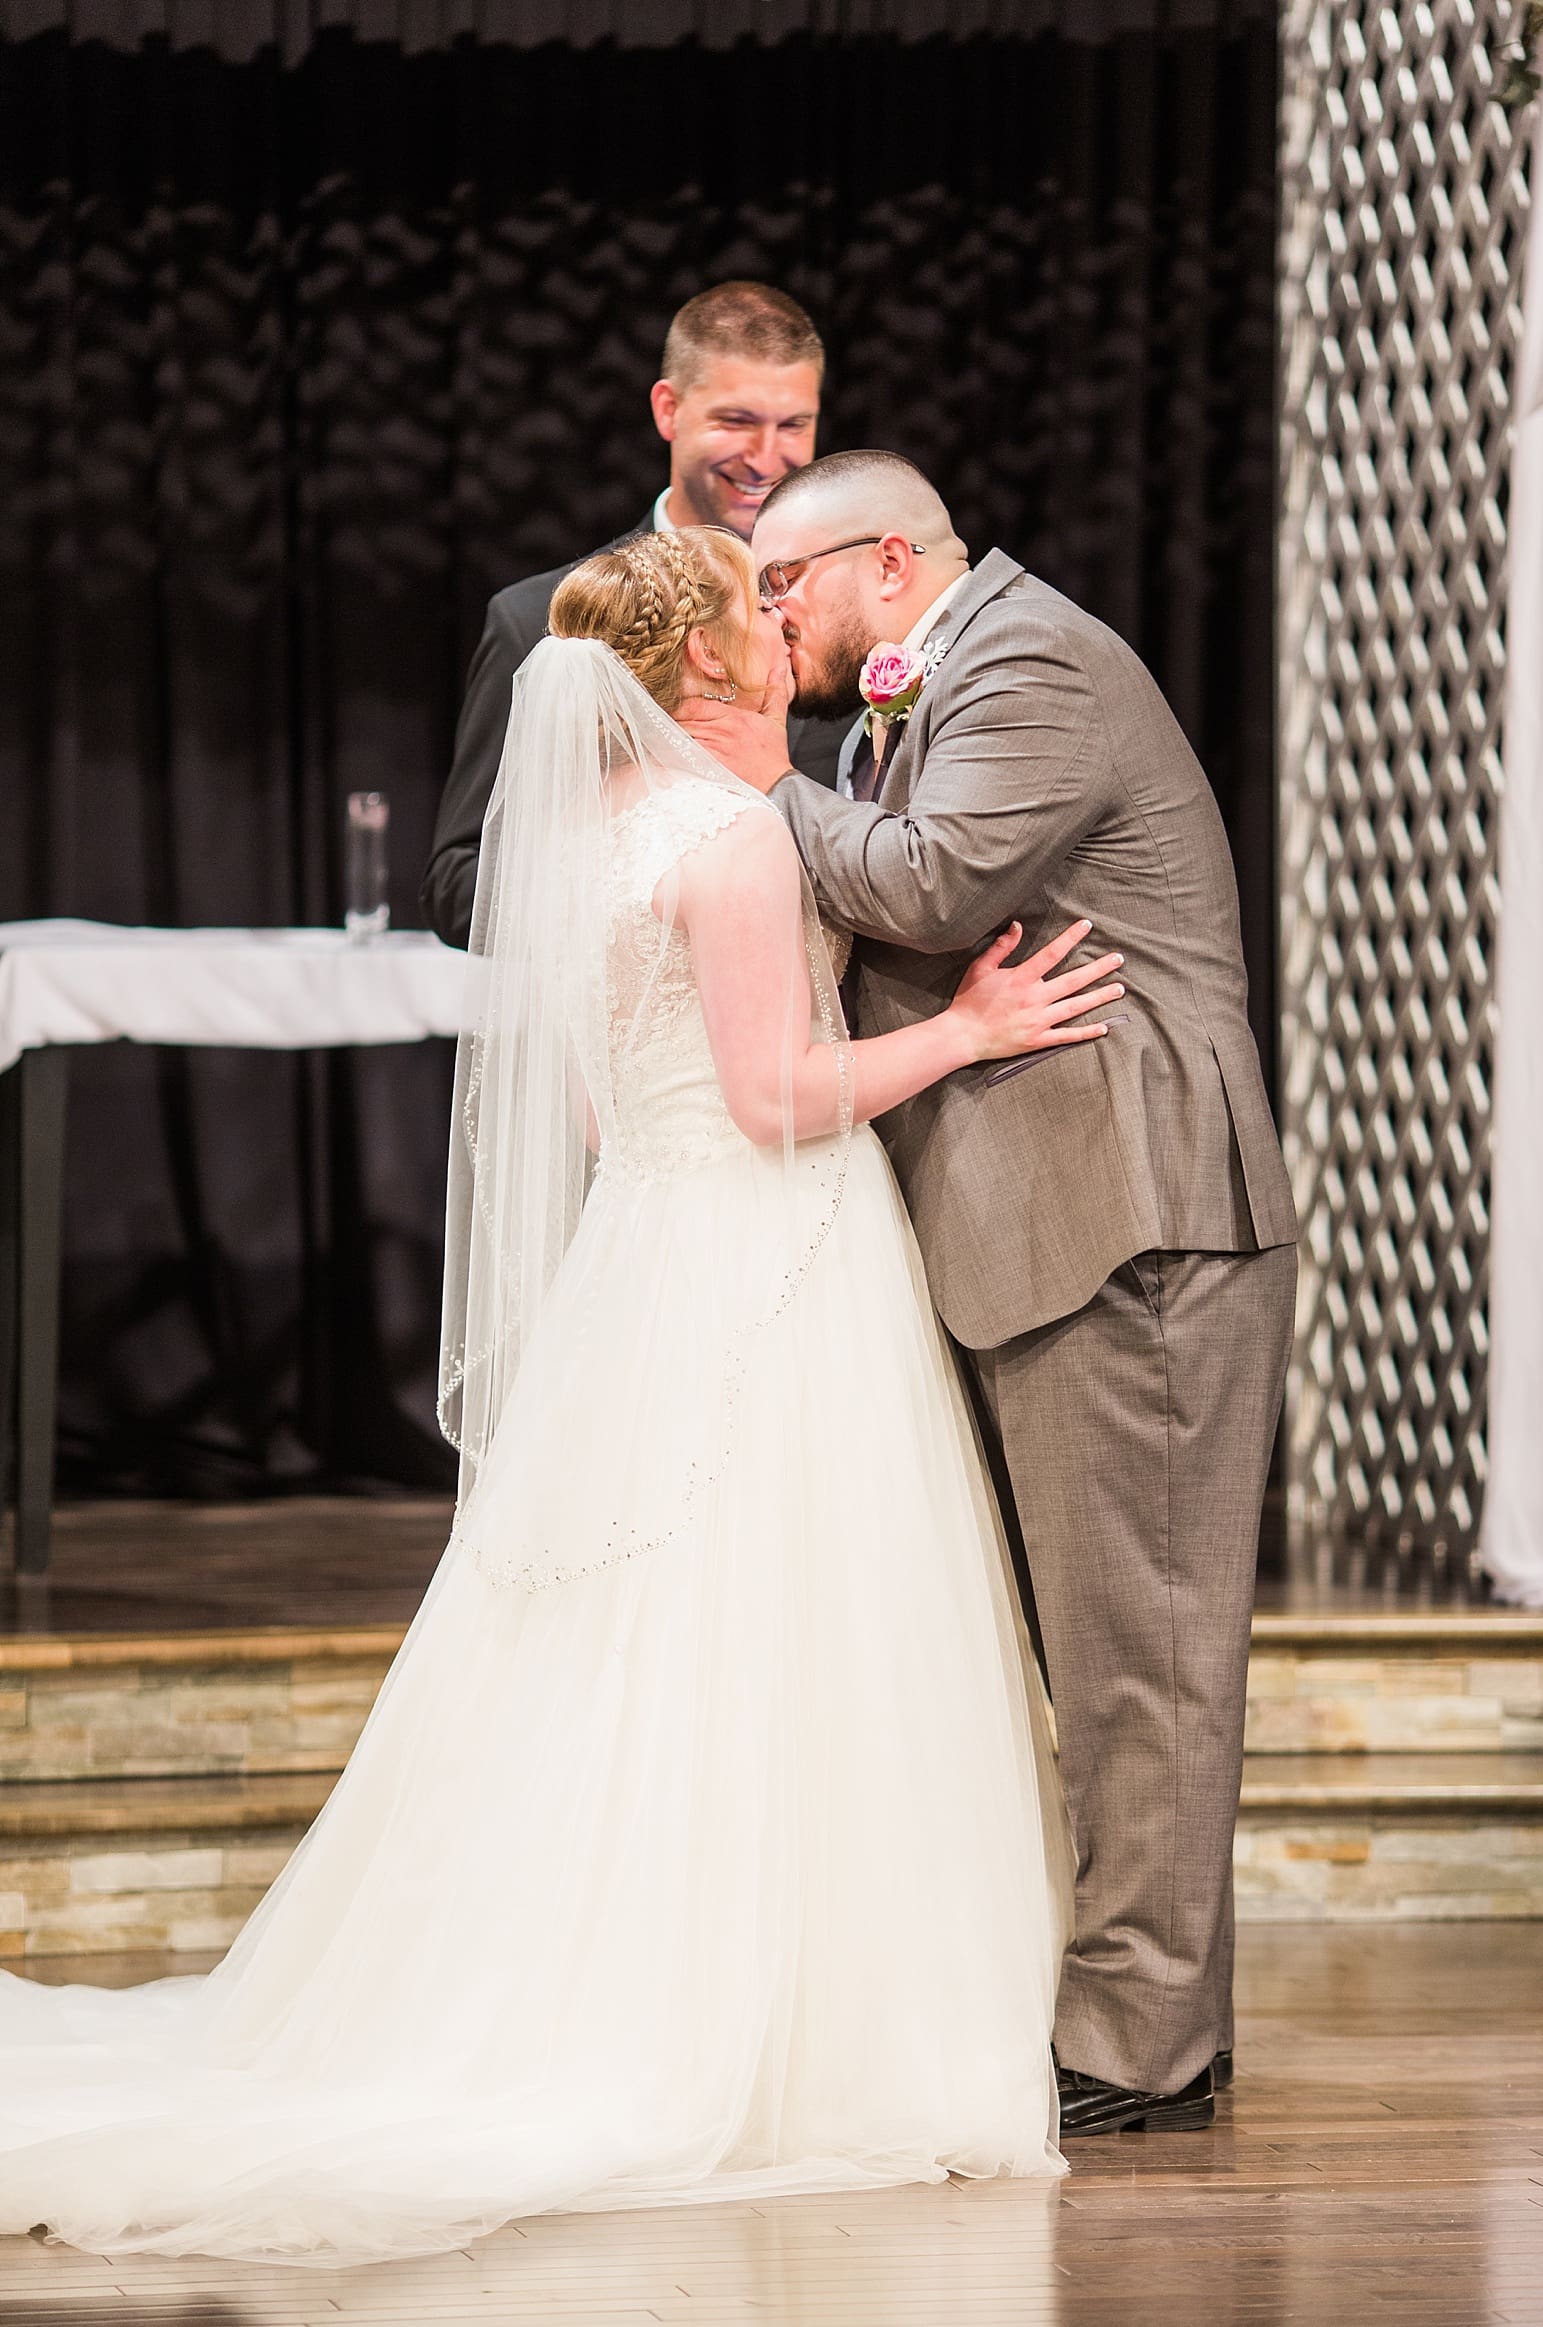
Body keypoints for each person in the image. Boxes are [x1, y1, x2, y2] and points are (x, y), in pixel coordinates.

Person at [0, 526, 1123, 2267]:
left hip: (640, 1259)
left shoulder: (582, 842)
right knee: (781, 1627)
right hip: (767, 1251)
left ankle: (578, 1973)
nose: (780, 624)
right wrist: (970, 1033)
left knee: (627, 1632)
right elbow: (771, 1096)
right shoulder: (733, 838)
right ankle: (785, 2030)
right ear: (700, 670)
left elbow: (611, 1112)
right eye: (755, 612)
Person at [674, 449, 1299, 2138]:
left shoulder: (1026, 658)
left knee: (1141, 1654)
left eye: (783, 584)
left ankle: (1137, 2049)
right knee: (1098, 1652)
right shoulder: (927, 680)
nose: (767, 614)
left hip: (1132, 1212)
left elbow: (935, 883)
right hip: (1051, 1219)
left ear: (887, 563)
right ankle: (1148, 2011)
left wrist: (756, 778)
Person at [421, 281, 848, 947]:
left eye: (793, 425)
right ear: (667, 409)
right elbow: (457, 883)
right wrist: (638, 906)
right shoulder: (540, 617)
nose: (768, 460)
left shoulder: (844, 615)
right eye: (736, 421)